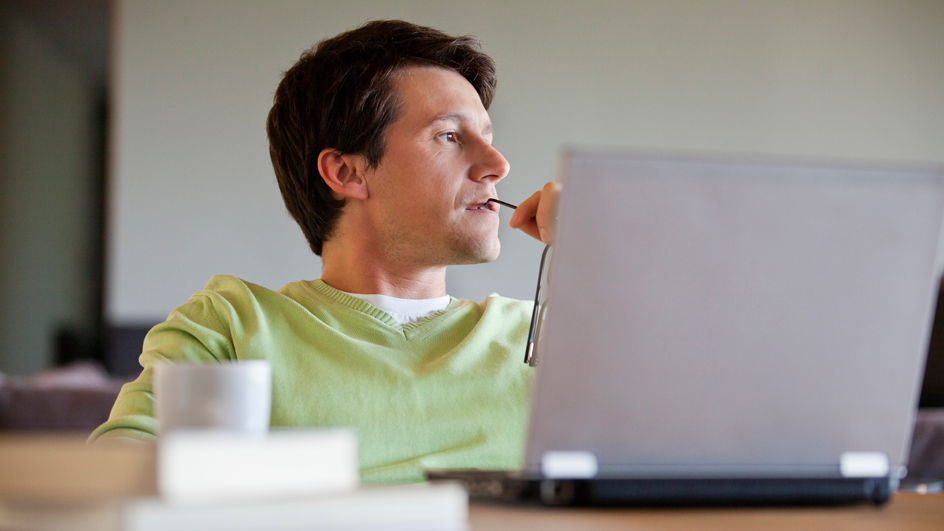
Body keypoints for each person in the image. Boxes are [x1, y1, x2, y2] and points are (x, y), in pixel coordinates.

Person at [90, 20, 560, 484]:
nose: (498, 165)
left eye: (489, 138)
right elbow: (110, 481)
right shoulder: (230, 327)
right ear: (346, 173)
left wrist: (607, 258)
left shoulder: (548, 337)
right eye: (449, 136)